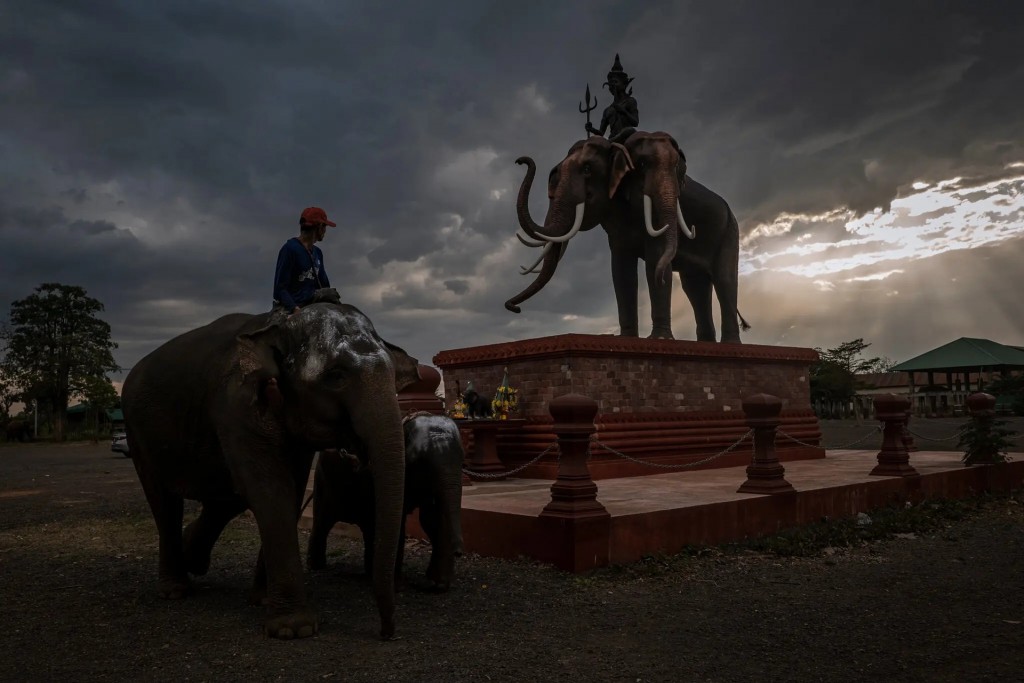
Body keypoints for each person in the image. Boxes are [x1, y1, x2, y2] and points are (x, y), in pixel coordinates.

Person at [273, 206, 336, 315]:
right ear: (320, 227)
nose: (325, 231)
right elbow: (280, 289)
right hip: (293, 307)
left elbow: (325, 285)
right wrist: (294, 309)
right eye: (325, 226)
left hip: (313, 305)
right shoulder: (289, 249)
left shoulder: (318, 253)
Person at [585, 54, 639, 143]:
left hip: (627, 136)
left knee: (629, 131)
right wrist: (591, 129)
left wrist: (623, 111)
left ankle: (610, 142)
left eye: (615, 82)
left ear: (624, 84)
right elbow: (601, 133)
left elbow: (635, 122)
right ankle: (610, 142)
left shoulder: (630, 101)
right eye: (610, 83)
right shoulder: (607, 110)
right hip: (613, 138)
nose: (612, 85)